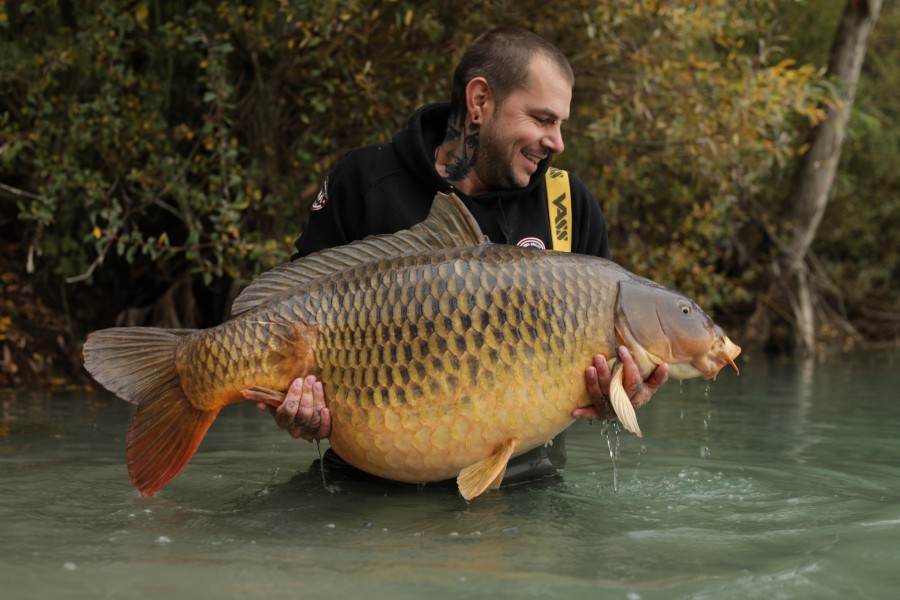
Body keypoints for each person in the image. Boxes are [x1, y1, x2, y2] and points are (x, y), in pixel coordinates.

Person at [253, 26, 669, 485]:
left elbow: (605, 379)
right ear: (479, 102)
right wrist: (296, 404)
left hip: (525, 487)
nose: (557, 142)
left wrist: (622, 395)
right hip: (365, 487)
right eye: (543, 119)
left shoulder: (567, 204)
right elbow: (283, 321)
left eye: (561, 124)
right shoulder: (366, 179)